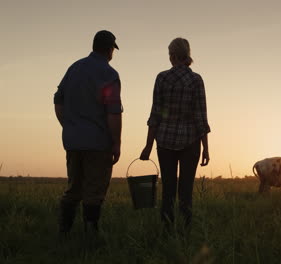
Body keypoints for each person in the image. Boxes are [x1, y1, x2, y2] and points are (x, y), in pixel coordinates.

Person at [54, 30, 123, 234]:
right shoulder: (109, 74)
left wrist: (67, 124)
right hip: (98, 143)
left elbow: (58, 99)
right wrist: (116, 142)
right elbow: (113, 112)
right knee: (95, 190)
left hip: (73, 141)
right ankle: (91, 235)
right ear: (110, 50)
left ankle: (64, 232)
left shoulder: (75, 68)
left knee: (74, 188)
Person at [140, 38, 210, 229]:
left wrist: (147, 146)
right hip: (191, 142)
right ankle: (185, 230)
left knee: (168, 189)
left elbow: (156, 114)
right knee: (186, 190)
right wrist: (206, 147)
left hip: (164, 142)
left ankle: (167, 229)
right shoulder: (196, 80)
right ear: (187, 55)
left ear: (172, 55)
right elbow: (200, 117)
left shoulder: (162, 78)